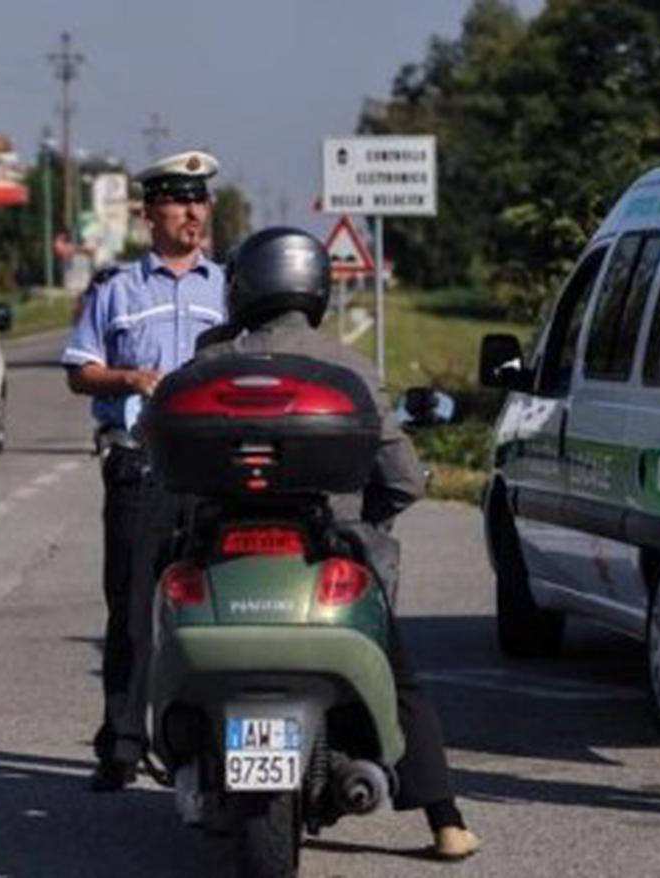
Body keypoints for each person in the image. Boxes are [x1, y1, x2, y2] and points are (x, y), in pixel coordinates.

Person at [194, 226, 481, 861]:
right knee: (400, 680)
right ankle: (445, 820)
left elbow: (173, 469)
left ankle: (140, 748)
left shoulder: (211, 360)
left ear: (243, 285)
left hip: (224, 559)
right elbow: (403, 479)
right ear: (314, 286)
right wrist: (361, 524)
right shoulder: (349, 367)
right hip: (332, 552)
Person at [61, 150, 227, 791]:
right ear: (150, 213)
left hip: (213, 472)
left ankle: (207, 740)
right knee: (132, 610)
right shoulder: (117, 289)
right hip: (141, 466)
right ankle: (122, 746)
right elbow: (80, 371)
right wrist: (130, 377)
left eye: (200, 200)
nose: (193, 212)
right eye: (180, 201)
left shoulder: (228, 287)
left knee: (216, 607)